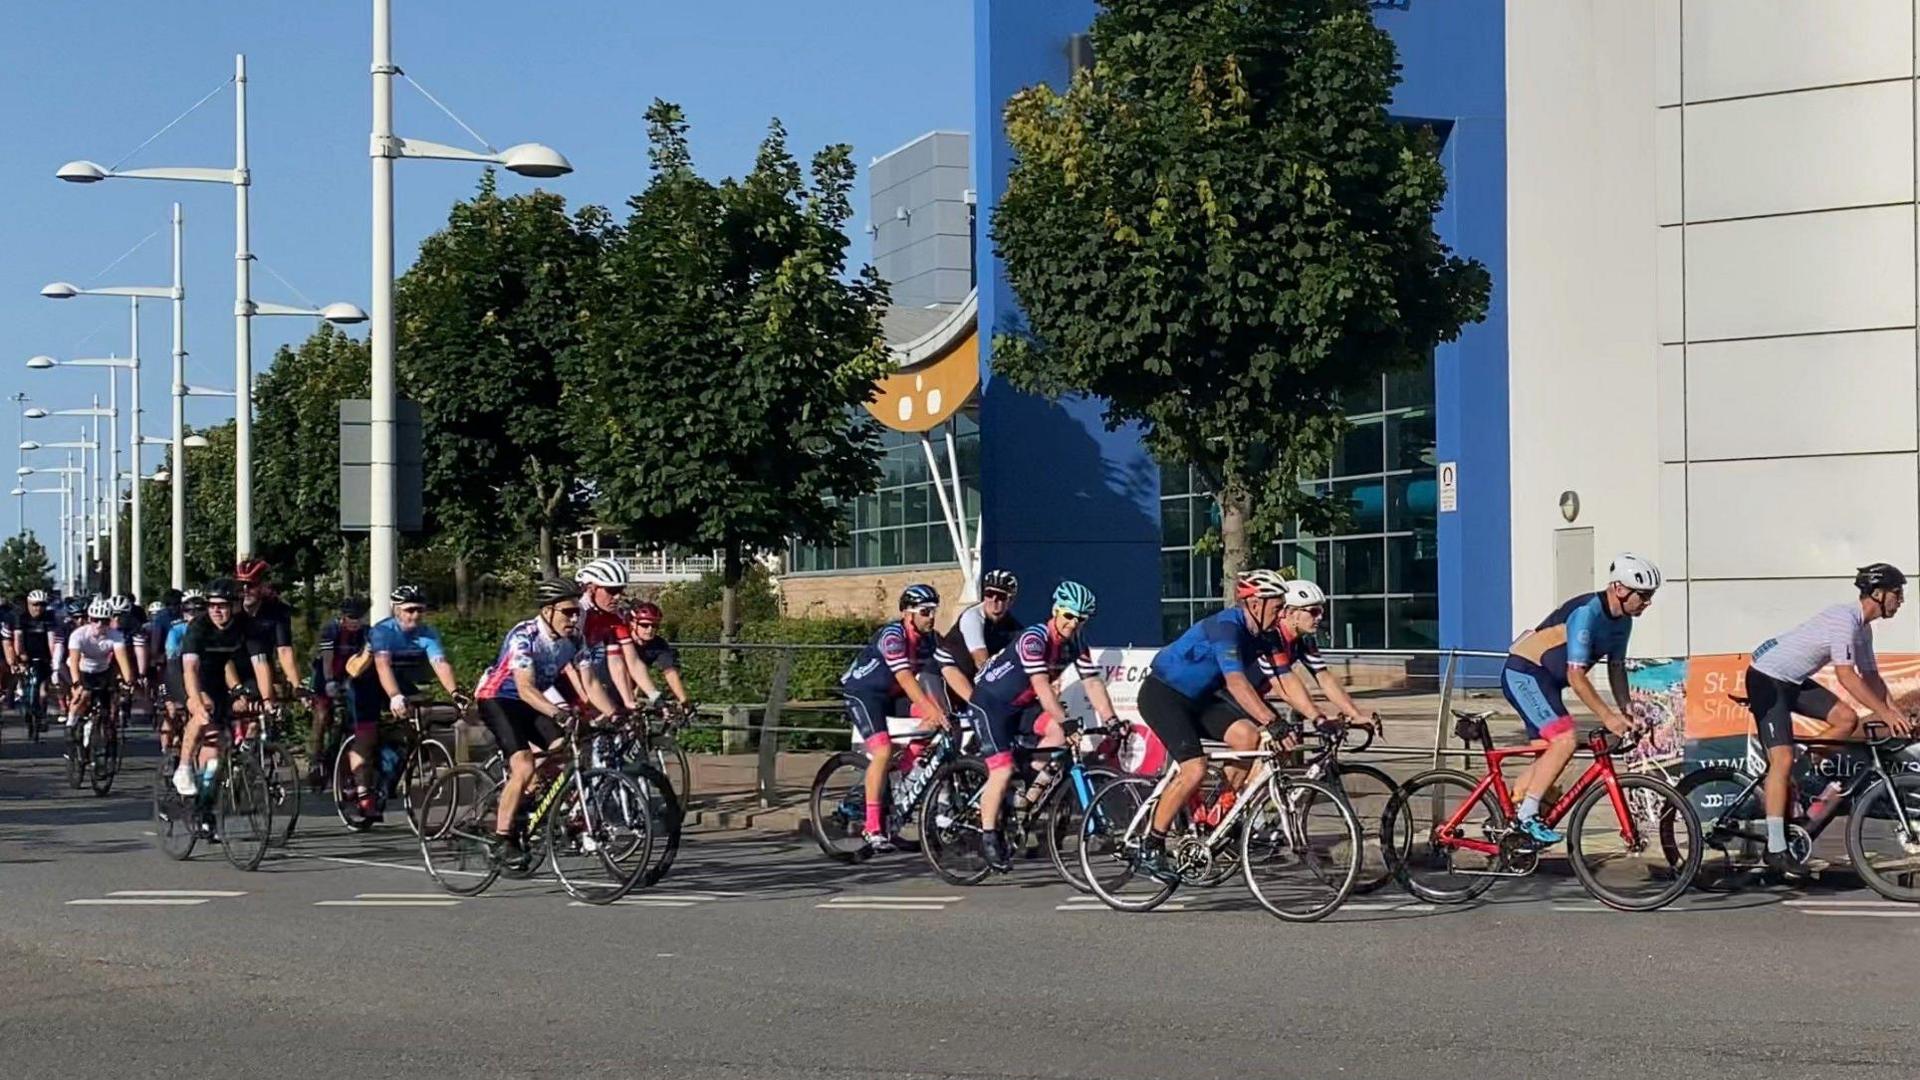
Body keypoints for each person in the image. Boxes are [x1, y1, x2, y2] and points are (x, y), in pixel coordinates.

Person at [1743, 562, 1913, 880]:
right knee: (1781, 757)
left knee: (1845, 719)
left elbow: (1872, 677)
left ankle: (1795, 777)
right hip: (1767, 678)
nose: (1900, 600)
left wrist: (1896, 714)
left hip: (1792, 681)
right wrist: (1885, 713)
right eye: (1897, 593)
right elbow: (1846, 677)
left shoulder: (1863, 628)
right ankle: (1776, 848)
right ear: (1878, 594)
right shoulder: (1843, 620)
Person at [1134, 569, 1299, 882]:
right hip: (1164, 694)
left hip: (1201, 698)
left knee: (1248, 736)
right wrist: (1273, 721)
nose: (1280, 615)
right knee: (1194, 768)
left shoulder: (1268, 633)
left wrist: (1318, 716)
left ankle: (1218, 814)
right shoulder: (1227, 627)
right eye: (1277, 608)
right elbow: (1236, 683)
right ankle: (1150, 844)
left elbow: (1287, 679)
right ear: (1255, 603)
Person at [1500, 553, 1662, 846]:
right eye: (1644, 596)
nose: (1648, 603)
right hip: (1525, 673)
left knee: (1549, 759)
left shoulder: (1623, 622)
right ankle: (1526, 817)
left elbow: (1616, 668)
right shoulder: (1588, 612)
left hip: (1546, 681)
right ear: (1620, 589)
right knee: (1565, 741)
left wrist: (1626, 710)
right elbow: (1576, 677)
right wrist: (1608, 717)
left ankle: (1505, 823)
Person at [962, 580, 1119, 872]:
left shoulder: (1076, 642)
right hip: (991, 705)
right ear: (1056, 611)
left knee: (1058, 736)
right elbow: (1042, 687)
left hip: (1021, 706)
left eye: (1081, 619)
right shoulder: (1035, 638)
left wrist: (1111, 720)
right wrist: (1066, 719)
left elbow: (1093, 683)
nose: (1074, 624)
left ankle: (1025, 797)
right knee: (1003, 769)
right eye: (1069, 616)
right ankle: (989, 837)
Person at [474, 578, 623, 869]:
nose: (574, 618)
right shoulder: (524, 636)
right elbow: (525, 688)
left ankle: (528, 801)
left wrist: (616, 716)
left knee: (566, 749)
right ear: (547, 611)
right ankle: (502, 837)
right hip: (499, 699)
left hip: (531, 702)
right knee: (524, 764)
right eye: (567, 612)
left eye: (577, 612)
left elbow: (590, 683)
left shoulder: (575, 639)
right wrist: (559, 714)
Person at [1195, 578, 1341, 808]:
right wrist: (1317, 717)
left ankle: (1250, 799)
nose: (1320, 617)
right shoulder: (1272, 638)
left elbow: (1325, 677)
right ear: (1290, 613)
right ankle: (1233, 802)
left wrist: (1355, 712)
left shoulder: (1303, 641)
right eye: (1314, 611)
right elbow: (1285, 688)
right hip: (1232, 696)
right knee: (1267, 740)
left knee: (1284, 747)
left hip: (1253, 697)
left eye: (1321, 611)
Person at [838, 583, 947, 853]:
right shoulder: (892, 635)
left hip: (892, 694)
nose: (931, 617)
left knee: (934, 722)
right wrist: (929, 706)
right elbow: (906, 677)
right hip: (864, 692)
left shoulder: (931, 639)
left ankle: (903, 775)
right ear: (909, 614)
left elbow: (946, 671)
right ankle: (872, 827)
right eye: (925, 611)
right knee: (883, 750)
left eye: (934, 611)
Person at [343, 585, 464, 820]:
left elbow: (440, 663)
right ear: (396, 610)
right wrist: (394, 696)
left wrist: (456, 693)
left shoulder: (427, 633)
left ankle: (391, 767)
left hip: (398, 680)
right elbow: (382, 666)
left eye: (419, 610)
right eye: (409, 610)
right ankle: (363, 792)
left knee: (415, 724)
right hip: (366, 682)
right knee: (366, 736)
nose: (415, 616)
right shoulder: (383, 631)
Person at [171, 579, 273, 797]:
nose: (215, 610)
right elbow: (190, 670)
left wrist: (267, 700)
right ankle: (184, 767)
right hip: (185, 674)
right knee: (204, 709)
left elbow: (260, 664)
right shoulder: (198, 626)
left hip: (217, 674)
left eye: (222, 605)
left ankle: (205, 800)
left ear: (236, 605)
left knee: (215, 746)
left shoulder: (248, 626)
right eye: (211, 605)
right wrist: (197, 703)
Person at [305, 597, 369, 789]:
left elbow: (364, 659)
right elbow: (327, 659)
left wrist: (349, 682)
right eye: (351, 617)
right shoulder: (331, 629)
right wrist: (331, 682)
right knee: (323, 715)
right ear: (342, 617)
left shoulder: (364, 633)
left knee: (352, 718)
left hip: (349, 676)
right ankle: (315, 760)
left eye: (359, 618)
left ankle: (343, 763)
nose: (355, 622)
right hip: (325, 676)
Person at [933, 569, 1022, 706]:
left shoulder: (1014, 627)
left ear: (1011, 600)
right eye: (989, 594)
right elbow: (981, 661)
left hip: (972, 676)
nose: (994, 600)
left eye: (1000, 596)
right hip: (948, 669)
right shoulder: (973, 617)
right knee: (982, 708)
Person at [64, 597, 137, 755]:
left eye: (104, 621)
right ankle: (71, 724)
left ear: (109, 621)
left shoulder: (115, 635)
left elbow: (123, 661)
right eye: (95, 620)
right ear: (89, 619)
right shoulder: (78, 635)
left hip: (103, 671)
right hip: (82, 670)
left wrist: (128, 682)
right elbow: (74, 661)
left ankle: (105, 732)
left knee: (109, 703)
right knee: (82, 696)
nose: (99, 625)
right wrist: (76, 683)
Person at [576, 557, 644, 713]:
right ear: (591, 588)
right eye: (612, 591)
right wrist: (587, 698)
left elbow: (621, 661)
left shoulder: (613, 617)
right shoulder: (577, 615)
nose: (618, 597)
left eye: (620, 590)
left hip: (586, 677)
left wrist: (628, 700)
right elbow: (567, 664)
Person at [232, 558, 302, 702]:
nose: (245, 591)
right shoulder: (230, 608)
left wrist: (297, 685)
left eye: (250, 585)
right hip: (231, 667)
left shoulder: (276, 610)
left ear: (262, 586)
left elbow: (284, 650)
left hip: (262, 666)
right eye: (241, 585)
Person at [160, 590, 206, 753]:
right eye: (189, 611)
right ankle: (167, 751)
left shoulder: (210, 629)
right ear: (183, 612)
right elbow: (172, 660)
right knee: (173, 711)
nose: (194, 615)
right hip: (175, 671)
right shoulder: (177, 630)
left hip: (198, 672)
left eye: (199, 610)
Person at [4, 590, 56, 721]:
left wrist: (53, 658)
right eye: (35, 605)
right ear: (28, 604)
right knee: (25, 677)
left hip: (42, 652)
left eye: (42, 605)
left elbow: (51, 640)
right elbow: (17, 640)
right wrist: (19, 659)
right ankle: (21, 695)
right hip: (25, 651)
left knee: (43, 690)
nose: (39, 608)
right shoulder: (20, 616)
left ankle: (42, 713)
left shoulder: (48, 617)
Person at [626, 600, 690, 706]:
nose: (650, 629)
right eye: (645, 625)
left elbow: (670, 672)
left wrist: (684, 700)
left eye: (654, 625)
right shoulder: (623, 640)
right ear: (633, 623)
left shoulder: (658, 644)